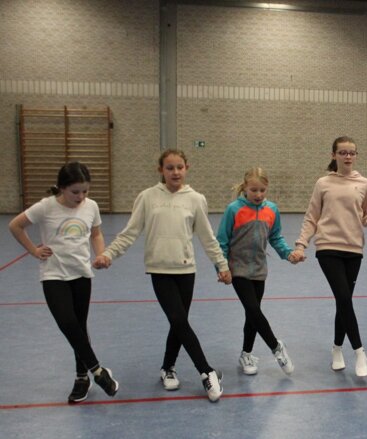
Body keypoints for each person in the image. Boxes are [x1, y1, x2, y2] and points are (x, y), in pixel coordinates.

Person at [93, 149, 230, 402]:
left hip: (186, 270)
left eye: (179, 167)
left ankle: (168, 368)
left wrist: (222, 265)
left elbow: (207, 237)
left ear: (187, 168)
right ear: (161, 170)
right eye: (169, 168)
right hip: (159, 270)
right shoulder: (147, 197)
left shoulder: (196, 199)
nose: (175, 172)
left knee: (179, 323)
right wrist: (109, 254)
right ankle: (207, 371)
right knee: (178, 319)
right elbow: (130, 232)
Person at [8, 162, 119, 404]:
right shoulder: (46, 207)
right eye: (75, 192)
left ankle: (82, 377)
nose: (80, 197)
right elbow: (15, 225)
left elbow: (96, 233)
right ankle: (98, 370)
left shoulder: (91, 206)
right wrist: (34, 250)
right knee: (67, 323)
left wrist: (101, 254)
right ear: (61, 188)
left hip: (81, 274)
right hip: (53, 275)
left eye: (85, 191)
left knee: (79, 326)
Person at [291, 136, 367, 377]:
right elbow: (312, 216)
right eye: (343, 152)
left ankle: (337, 349)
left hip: (354, 249)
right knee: (343, 297)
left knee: (344, 301)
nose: (348, 156)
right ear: (334, 155)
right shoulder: (323, 183)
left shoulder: (364, 183)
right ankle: (360, 352)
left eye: (352, 152)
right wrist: (301, 245)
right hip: (328, 247)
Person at [216, 167, 302, 377]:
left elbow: (275, 237)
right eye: (254, 190)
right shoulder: (234, 209)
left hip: (259, 269)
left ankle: (246, 354)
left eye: (262, 190)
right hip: (238, 269)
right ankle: (276, 347)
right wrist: (222, 267)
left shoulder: (271, 209)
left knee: (252, 314)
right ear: (245, 187)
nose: (258, 194)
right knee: (253, 309)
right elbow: (222, 241)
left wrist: (288, 254)